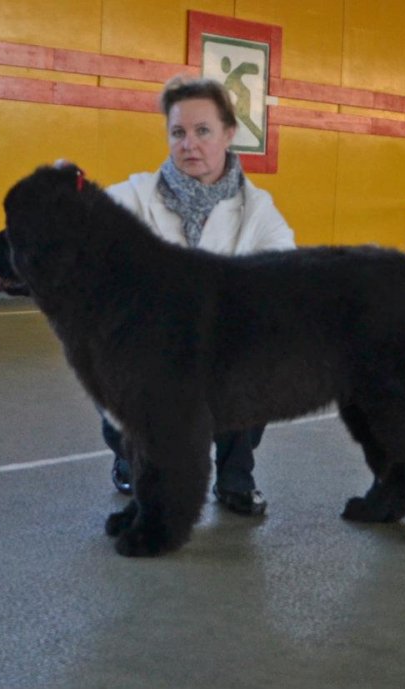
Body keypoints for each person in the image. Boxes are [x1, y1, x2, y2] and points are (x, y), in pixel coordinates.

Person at [101, 75, 296, 515]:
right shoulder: (133, 197)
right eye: (178, 132)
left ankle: (234, 478)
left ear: (228, 133)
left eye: (202, 131)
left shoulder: (257, 208)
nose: (189, 144)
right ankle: (133, 459)